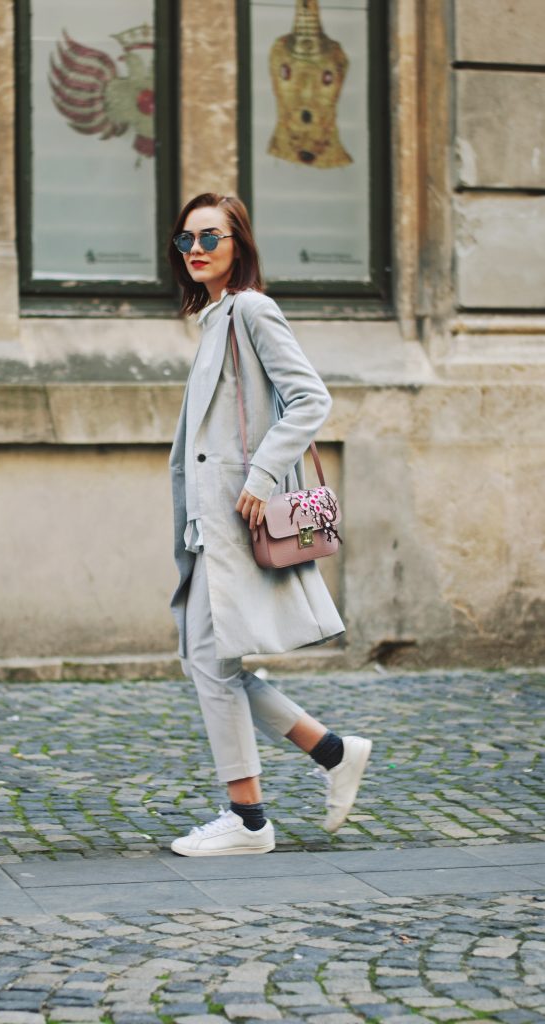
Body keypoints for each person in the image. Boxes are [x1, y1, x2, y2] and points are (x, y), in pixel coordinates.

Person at [167, 192, 371, 857]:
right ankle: (331, 754)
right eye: (186, 241)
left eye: (210, 237)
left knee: (210, 661)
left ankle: (250, 820)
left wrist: (258, 479)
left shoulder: (251, 309)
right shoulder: (213, 320)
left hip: (237, 517)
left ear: (239, 244)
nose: (196, 249)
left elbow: (310, 397)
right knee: (209, 661)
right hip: (209, 524)